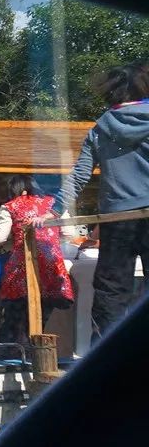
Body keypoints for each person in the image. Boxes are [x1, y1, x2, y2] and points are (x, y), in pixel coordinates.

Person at [34, 62, 149, 341]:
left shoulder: (101, 128)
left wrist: (55, 210)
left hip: (117, 220)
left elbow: (80, 174)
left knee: (111, 290)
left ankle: (109, 357)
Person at [0, 175, 75, 353]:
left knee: (14, 322)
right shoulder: (53, 205)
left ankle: (13, 360)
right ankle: (34, 356)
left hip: (22, 270)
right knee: (40, 319)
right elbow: (70, 232)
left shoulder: (9, 206)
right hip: (51, 270)